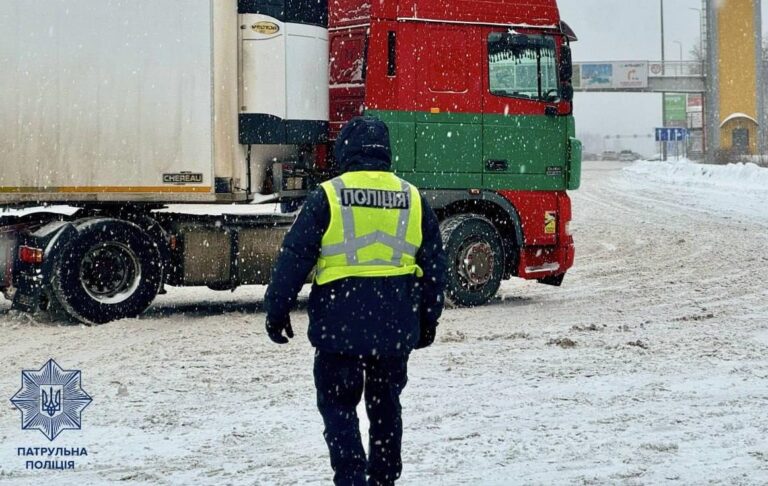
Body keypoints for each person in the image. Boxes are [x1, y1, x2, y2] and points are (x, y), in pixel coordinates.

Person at [264, 116, 447, 486]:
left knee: (338, 408)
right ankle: (383, 479)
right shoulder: (413, 198)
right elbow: (434, 267)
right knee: (386, 408)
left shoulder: (328, 195)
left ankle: (350, 478)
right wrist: (428, 320)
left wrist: (277, 307)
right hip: (394, 326)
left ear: (345, 149)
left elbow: (295, 256)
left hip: (339, 328)